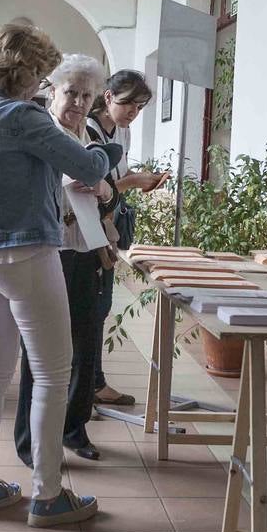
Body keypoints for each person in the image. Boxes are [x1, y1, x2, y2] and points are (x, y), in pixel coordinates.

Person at [0, 24, 121, 528]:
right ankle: (48, 494)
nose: (44, 86)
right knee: (50, 372)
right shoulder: (23, 116)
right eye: (42, 76)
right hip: (23, 253)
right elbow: (87, 169)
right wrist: (107, 154)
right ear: (26, 73)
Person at [13, 54, 112, 464]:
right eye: (71, 92)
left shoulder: (89, 138)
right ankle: (29, 441)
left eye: (86, 96)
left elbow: (107, 189)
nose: (78, 102)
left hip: (87, 249)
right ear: (54, 91)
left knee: (86, 346)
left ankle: (73, 429)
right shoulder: (42, 131)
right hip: (48, 251)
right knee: (40, 351)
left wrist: (105, 190)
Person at [84, 70, 167, 406]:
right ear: (107, 97)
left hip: (106, 228)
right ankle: (89, 384)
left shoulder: (122, 131)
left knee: (99, 307)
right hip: (86, 230)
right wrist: (133, 182)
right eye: (128, 103)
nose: (134, 112)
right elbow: (93, 189)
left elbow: (116, 181)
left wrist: (138, 180)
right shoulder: (88, 131)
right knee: (91, 308)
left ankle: (93, 382)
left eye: (140, 106)